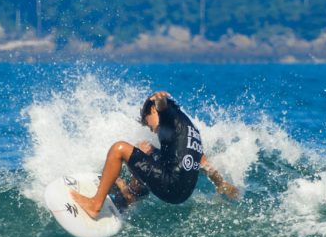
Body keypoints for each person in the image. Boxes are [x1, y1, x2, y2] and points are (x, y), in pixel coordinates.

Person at [70, 91, 238, 219]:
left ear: (153, 111)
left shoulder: (168, 116)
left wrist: (159, 99)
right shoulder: (189, 129)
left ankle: (95, 204)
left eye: (148, 123)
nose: (151, 129)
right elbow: (202, 160)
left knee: (119, 148)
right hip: (183, 192)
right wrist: (222, 184)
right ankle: (130, 194)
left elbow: (163, 108)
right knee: (148, 150)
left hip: (171, 185)